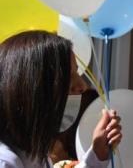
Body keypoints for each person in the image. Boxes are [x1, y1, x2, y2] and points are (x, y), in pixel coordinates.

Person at [0, 30, 122, 168]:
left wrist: (97, 154)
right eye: (68, 76)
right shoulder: (5, 162)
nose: (82, 86)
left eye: (77, 72)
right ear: (32, 87)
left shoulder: (34, 153)